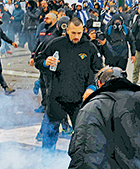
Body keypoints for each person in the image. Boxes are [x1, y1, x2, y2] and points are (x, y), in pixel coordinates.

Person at [35, 18, 103, 150]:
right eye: (73, 33)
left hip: (79, 99)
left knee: (82, 135)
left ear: (83, 31)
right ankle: (46, 163)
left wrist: (92, 87)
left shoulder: (90, 48)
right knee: (50, 133)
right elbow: (38, 59)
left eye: (79, 33)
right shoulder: (56, 44)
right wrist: (45, 62)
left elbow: (98, 71)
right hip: (56, 97)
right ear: (67, 31)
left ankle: (79, 164)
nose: (76, 36)